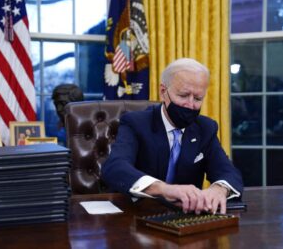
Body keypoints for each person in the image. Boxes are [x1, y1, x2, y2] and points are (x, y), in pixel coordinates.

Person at [101, 58, 243, 215]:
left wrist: (219, 189)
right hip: (137, 217)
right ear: (163, 92)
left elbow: (228, 172)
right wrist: (163, 189)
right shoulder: (136, 123)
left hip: (187, 219)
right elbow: (115, 167)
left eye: (197, 99)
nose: (190, 105)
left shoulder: (205, 128)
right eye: (183, 95)